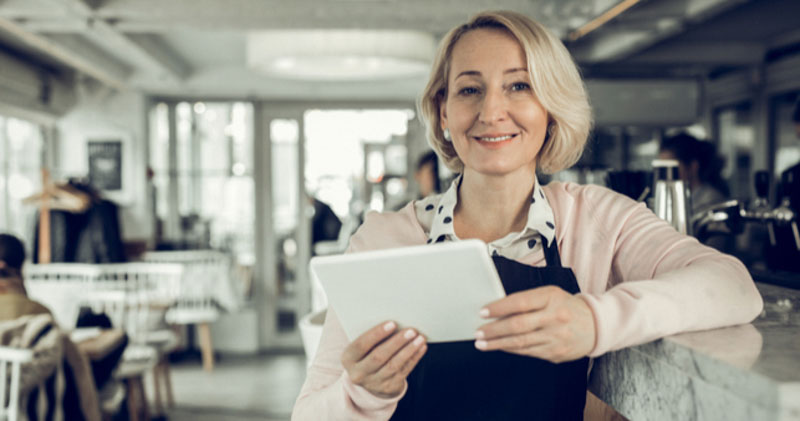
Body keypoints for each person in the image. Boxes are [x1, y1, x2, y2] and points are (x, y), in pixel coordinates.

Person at [292, 11, 762, 421]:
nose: (492, 111)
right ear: (443, 113)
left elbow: (732, 285)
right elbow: (309, 413)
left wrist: (595, 320)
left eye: (519, 85)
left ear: (551, 108)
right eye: (469, 89)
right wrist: (362, 393)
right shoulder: (383, 239)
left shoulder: (597, 219)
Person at [658, 132, 730, 213]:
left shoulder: (711, 202)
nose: (666, 174)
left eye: (672, 168)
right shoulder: (681, 197)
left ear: (693, 166)